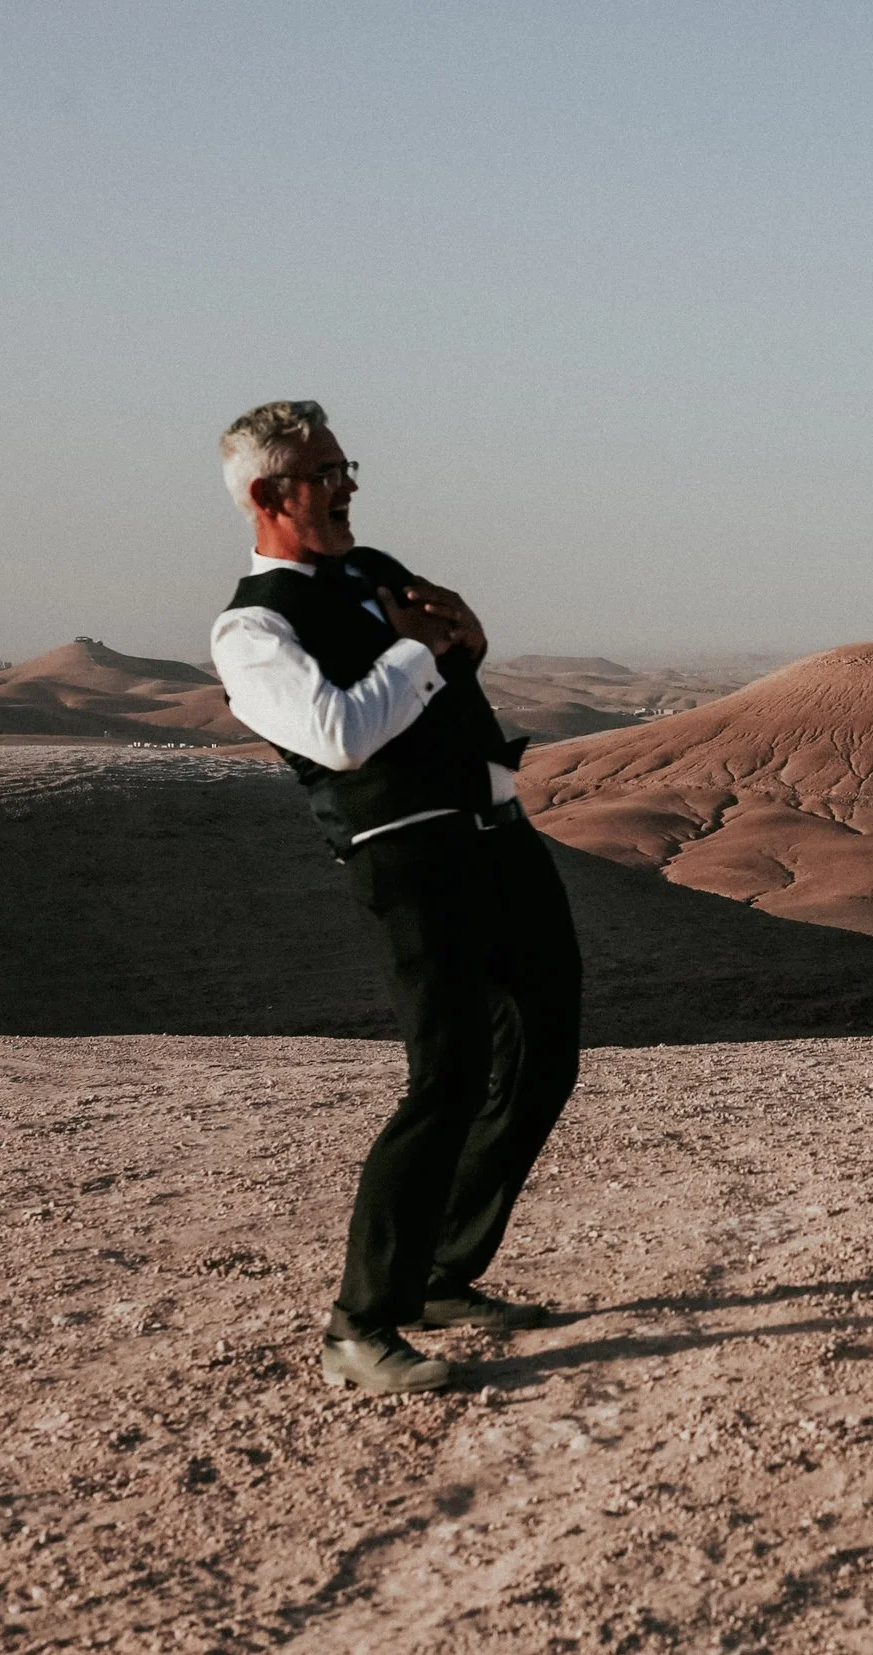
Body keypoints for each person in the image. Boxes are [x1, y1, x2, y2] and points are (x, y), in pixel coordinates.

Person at [210, 400, 582, 1396]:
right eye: (326, 472)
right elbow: (338, 732)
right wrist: (419, 649)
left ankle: (438, 1270)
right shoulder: (250, 630)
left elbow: (445, 670)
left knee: (545, 1051)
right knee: (446, 1076)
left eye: (345, 464)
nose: (348, 484)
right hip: (411, 865)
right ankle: (360, 1321)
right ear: (268, 495)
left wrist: (464, 640)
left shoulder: (378, 571)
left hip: (497, 838)